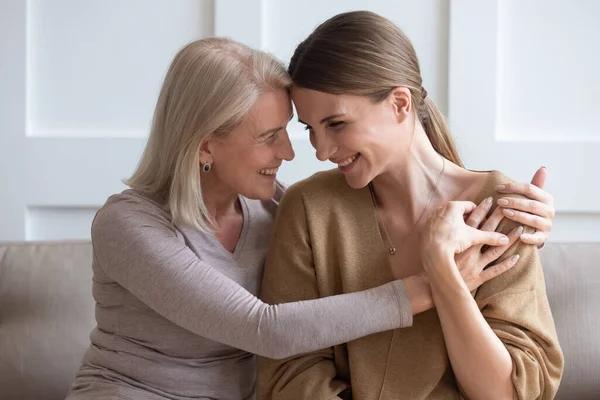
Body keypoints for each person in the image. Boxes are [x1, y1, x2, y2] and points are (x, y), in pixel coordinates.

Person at [66, 37, 556, 400]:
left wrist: (532, 222)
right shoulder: (127, 225)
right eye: (271, 135)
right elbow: (267, 330)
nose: (298, 152)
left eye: (296, 130)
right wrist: (438, 279)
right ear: (204, 144)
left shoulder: (273, 205)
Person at [257, 11, 563, 400]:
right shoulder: (308, 208)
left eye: (335, 124)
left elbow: (508, 394)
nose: (320, 152)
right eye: (310, 129)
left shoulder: (499, 209)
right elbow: (289, 370)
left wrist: (444, 274)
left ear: (400, 104)